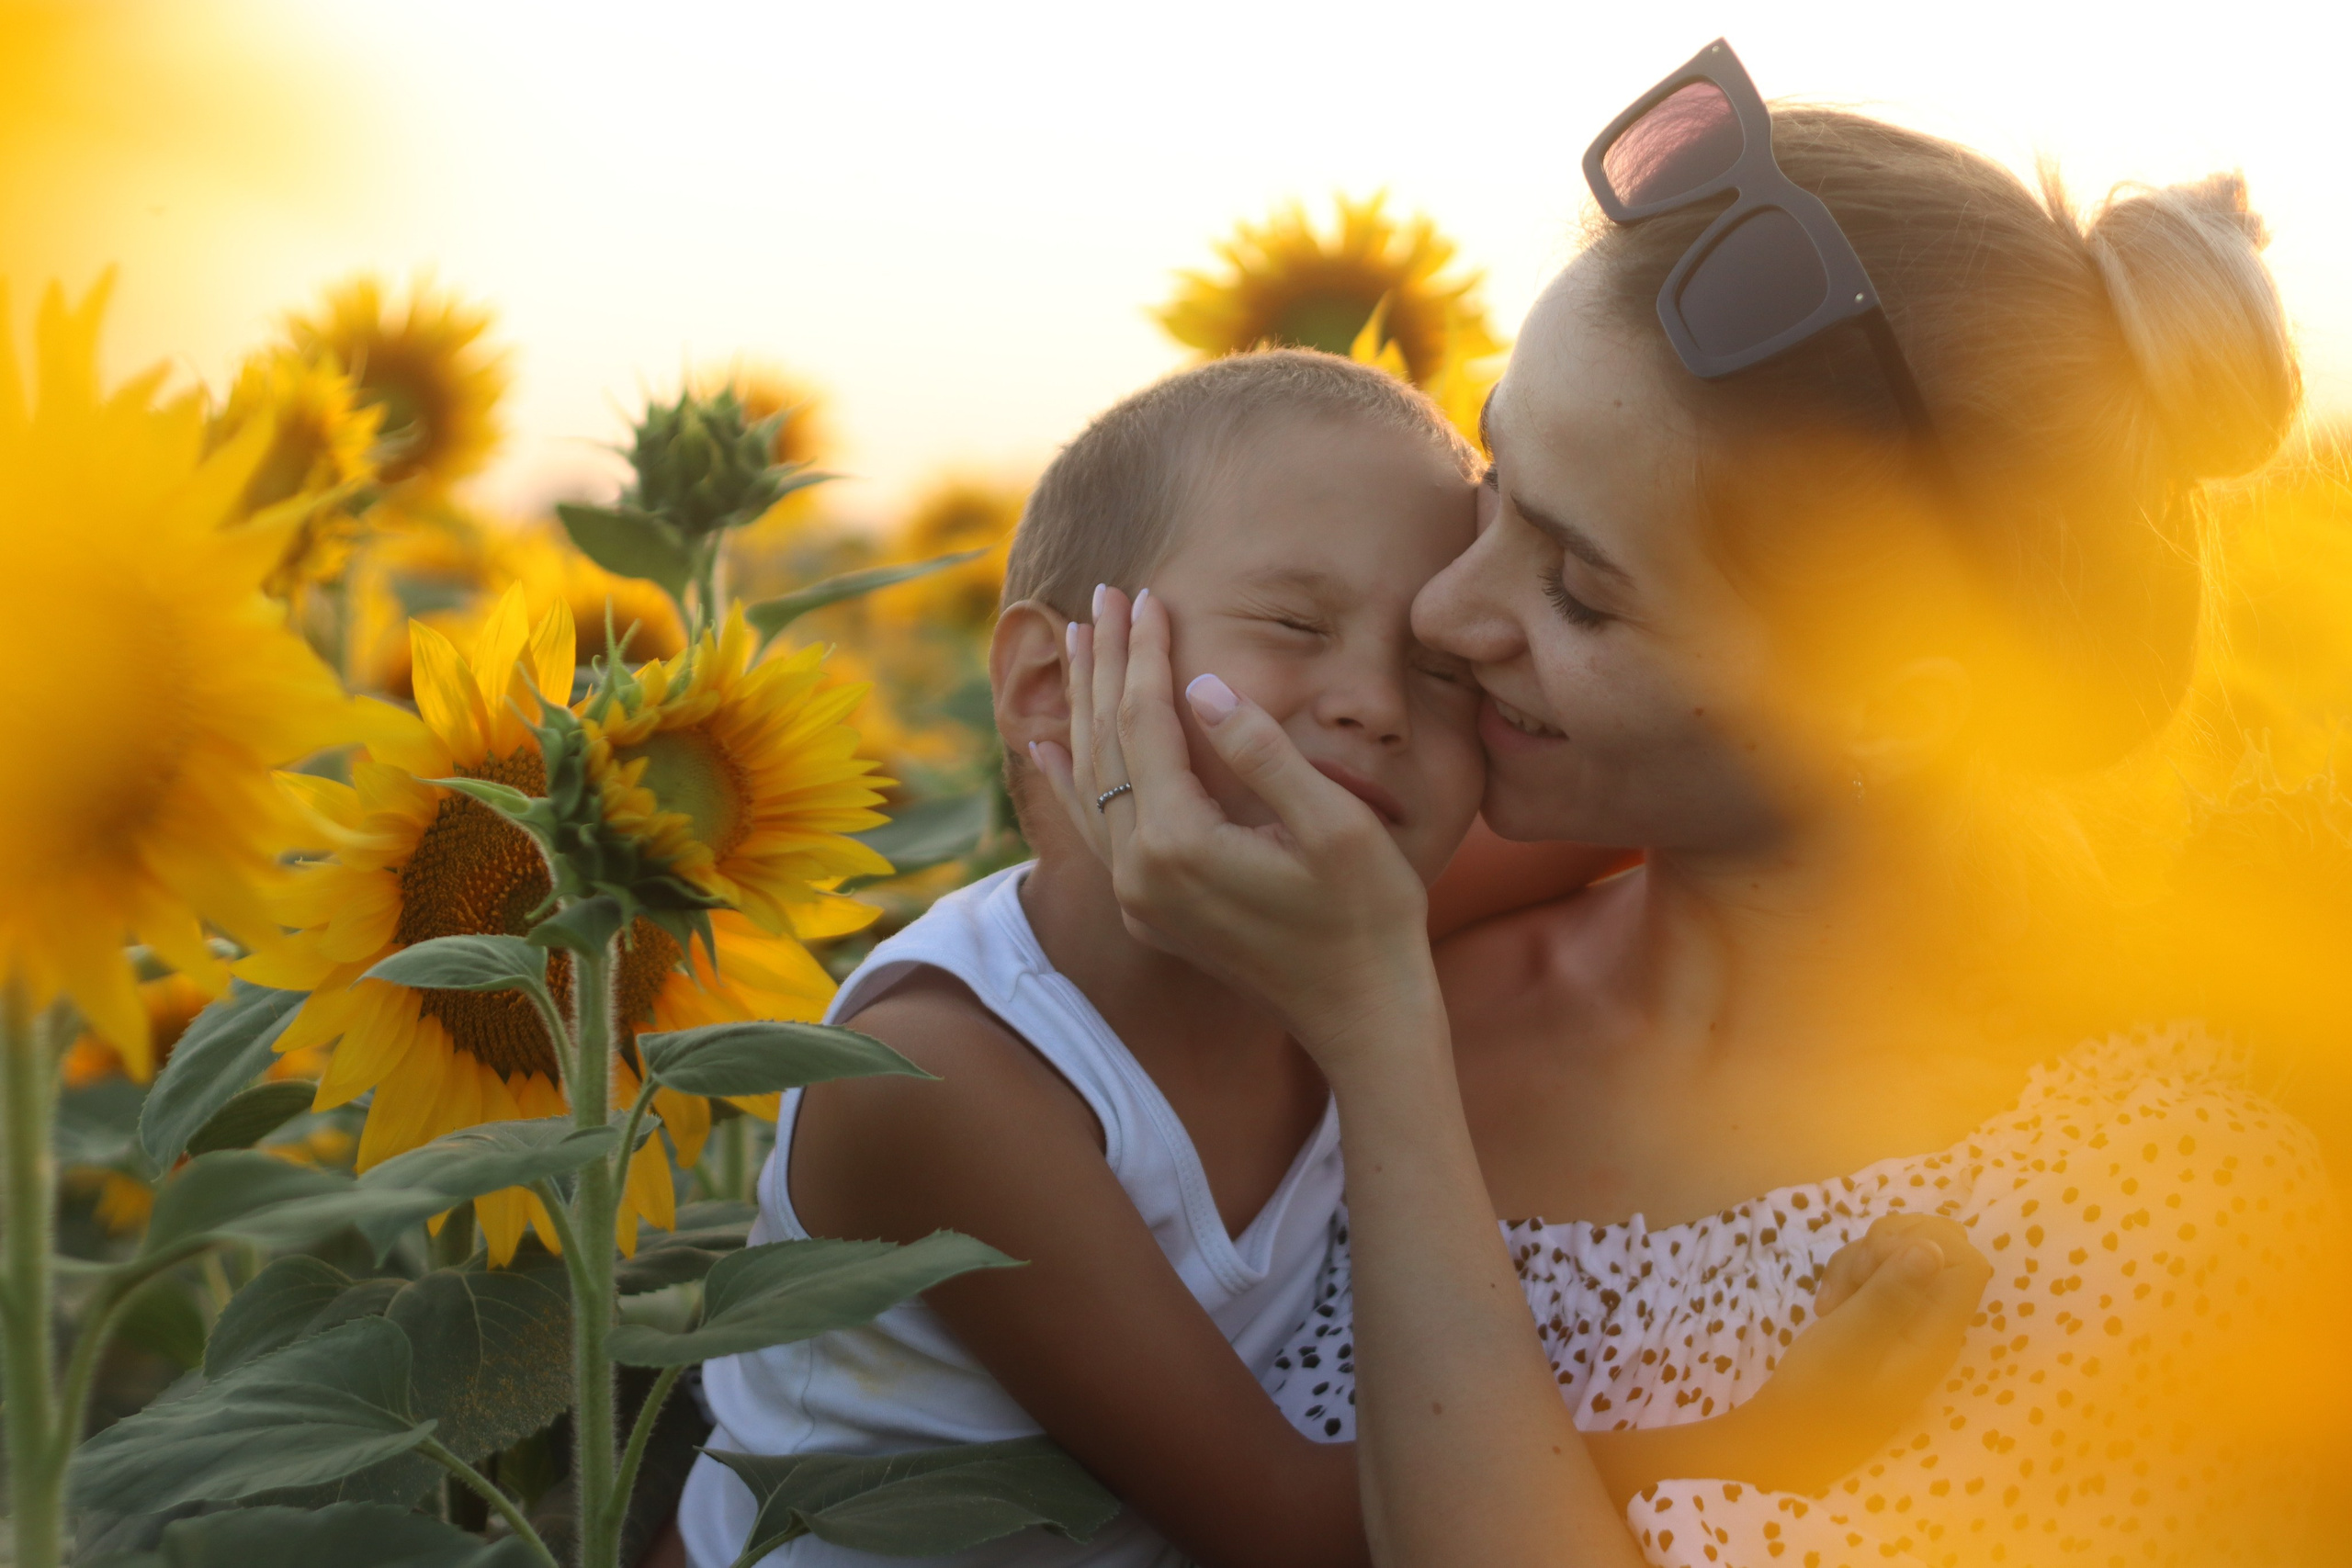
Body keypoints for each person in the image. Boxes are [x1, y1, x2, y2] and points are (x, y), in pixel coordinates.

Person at [1037, 41, 2335, 1568]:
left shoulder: (2165, 1227)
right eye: (1492, 481)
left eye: (1580, 591)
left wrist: (1379, 1041)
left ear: (1894, 704)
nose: (1447, 612)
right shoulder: (1318, 939)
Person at [679, 349, 1993, 1568]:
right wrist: (1759, 1434)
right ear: (1045, 688)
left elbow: (1662, 794)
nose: (1372, 700)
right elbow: (1291, 1528)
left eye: (1435, 672)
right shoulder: (945, 1073)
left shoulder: (1332, 911)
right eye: (1297, 629)